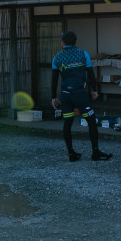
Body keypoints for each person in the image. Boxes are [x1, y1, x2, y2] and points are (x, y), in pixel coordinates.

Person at [50, 30, 113, 162]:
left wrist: (53, 97)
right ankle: (95, 152)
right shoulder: (83, 54)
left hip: (65, 95)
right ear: (75, 41)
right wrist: (95, 90)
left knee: (67, 122)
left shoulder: (57, 57)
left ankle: (71, 153)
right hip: (80, 94)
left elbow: (54, 80)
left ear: (63, 42)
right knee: (91, 121)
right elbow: (90, 73)